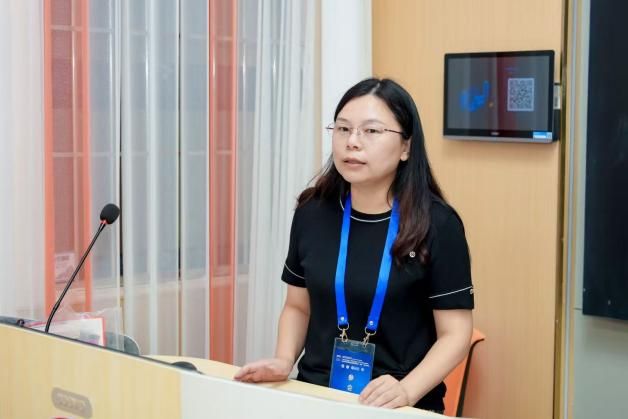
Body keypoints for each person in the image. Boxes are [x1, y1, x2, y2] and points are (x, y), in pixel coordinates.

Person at [234, 78, 474, 413]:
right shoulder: (312, 212)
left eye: (371, 131)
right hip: (317, 398)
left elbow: (456, 334)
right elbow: (298, 307)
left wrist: (406, 391)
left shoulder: (438, 224)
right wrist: (284, 359)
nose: (352, 142)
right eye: (343, 129)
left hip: (396, 405)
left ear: (406, 147)